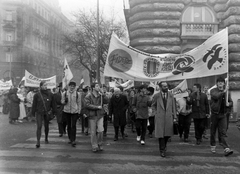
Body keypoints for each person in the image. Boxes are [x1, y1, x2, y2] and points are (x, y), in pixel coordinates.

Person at [152, 81, 177, 157]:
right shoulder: (156, 96)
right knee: (161, 135)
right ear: (160, 87)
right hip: (160, 117)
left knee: (167, 134)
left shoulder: (171, 95)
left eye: (166, 86)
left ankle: (164, 146)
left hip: (169, 117)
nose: (166, 88)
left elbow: (174, 107)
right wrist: (155, 113)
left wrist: (175, 117)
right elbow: (153, 105)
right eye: (164, 86)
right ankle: (162, 150)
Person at [210, 77, 233, 156]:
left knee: (223, 132)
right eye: (219, 82)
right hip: (214, 114)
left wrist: (229, 104)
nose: (220, 83)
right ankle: (213, 145)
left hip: (223, 114)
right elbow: (215, 97)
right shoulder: (213, 91)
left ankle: (226, 148)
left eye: (222, 82)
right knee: (213, 131)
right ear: (216, 83)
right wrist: (224, 91)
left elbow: (231, 102)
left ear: (224, 83)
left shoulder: (227, 92)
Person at [32, 81, 56, 148]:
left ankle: (46, 138)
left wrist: (54, 112)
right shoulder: (37, 95)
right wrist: (33, 113)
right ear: (41, 86)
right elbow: (34, 104)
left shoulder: (50, 94)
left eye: (46, 85)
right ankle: (38, 141)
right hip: (39, 112)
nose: (46, 86)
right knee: (39, 126)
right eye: (44, 85)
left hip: (47, 112)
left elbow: (53, 104)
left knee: (46, 126)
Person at [84, 82, 108, 152]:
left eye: (99, 86)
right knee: (93, 132)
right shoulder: (88, 96)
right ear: (93, 88)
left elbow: (106, 101)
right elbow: (87, 105)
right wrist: (97, 107)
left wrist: (103, 94)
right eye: (97, 86)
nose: (99, 87)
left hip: (100, 115)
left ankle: (100, 143)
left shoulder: (101, 95)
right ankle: (94, 145)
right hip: (92, 116)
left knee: (101, 130)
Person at [61, 81, 82, 147]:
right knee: (68, 126)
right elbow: (62, 102)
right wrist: (65, 101)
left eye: (73, 86)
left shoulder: (78, 94)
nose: (72, 87)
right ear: (68, 86)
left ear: (75, 87)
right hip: (66, 111)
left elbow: (79, 103)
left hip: (74, 112)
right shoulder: (64, 93)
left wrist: (79, 112)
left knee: (73, 126)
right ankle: (70, 138)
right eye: (71, 86)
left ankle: (73, 139)